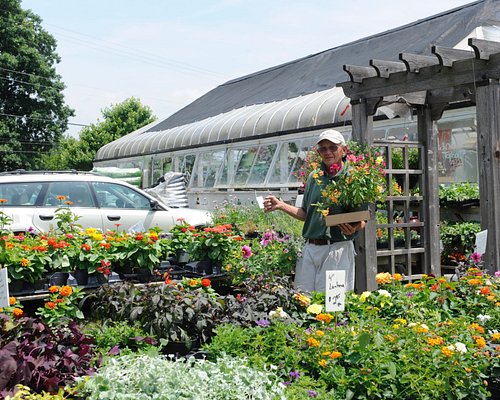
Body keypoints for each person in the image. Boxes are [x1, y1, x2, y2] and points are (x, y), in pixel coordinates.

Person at [264, 129, 365, 293]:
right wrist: (280, 205)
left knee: (333, 303)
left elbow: (361, 220)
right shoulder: (314, 177)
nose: (328, 152)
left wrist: (354, 227)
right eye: (323, 148)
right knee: (303, 299)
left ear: (344, 150)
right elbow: (306, 214)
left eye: (333, 147)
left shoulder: (353, 177)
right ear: (318, 152)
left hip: (337, 249)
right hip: (311, 249)